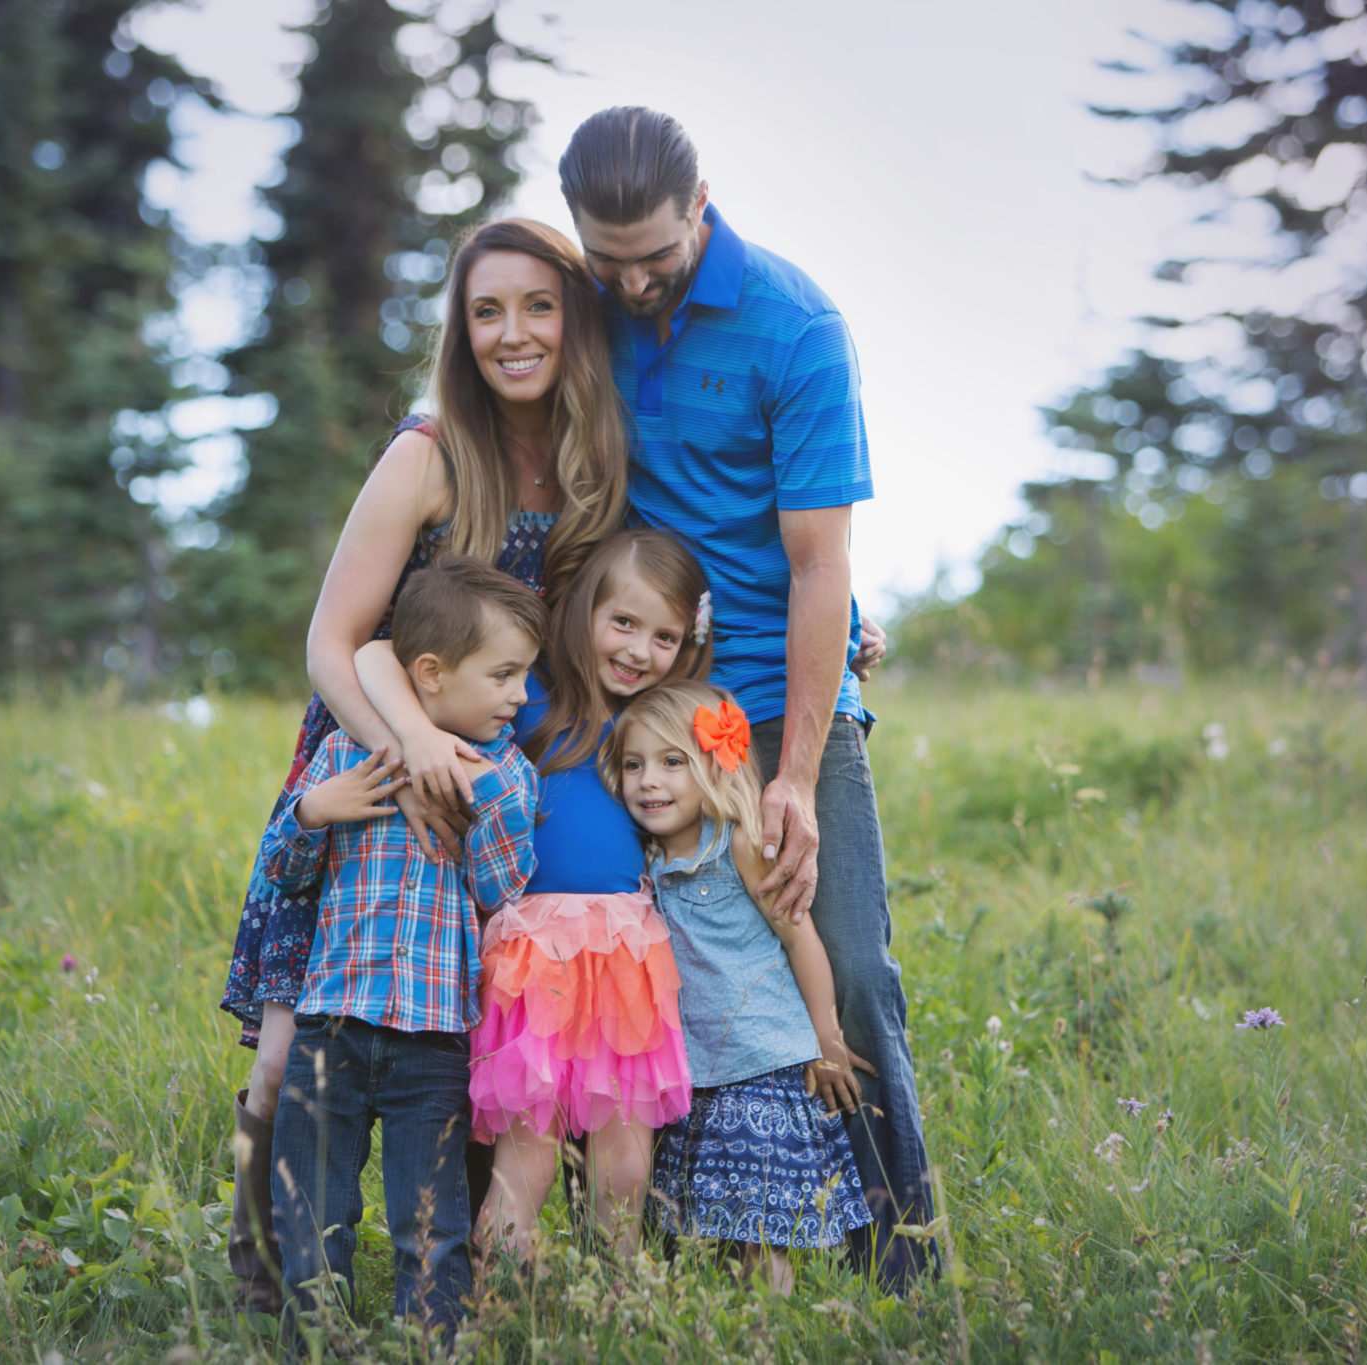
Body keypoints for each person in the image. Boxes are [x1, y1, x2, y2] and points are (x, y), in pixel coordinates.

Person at [557, 105, 936, 1291]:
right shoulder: (586, 308)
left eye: (652, 258)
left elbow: (820, 566)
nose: (630, 284)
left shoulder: (793, 327)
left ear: (702, 206)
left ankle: (900, 1264)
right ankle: (655, 1251)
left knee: (847, 962)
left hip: (775, 697)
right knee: (631, 953)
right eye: (605, 259)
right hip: (648, 699)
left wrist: (793, 780)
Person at [220, 218, 631, 1312]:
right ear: (460, 330)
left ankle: (462, 1277)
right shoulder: (428, 452)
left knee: (462, 1034)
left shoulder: (596, 461)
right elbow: (335, 640)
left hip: (500, 768)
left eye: (538, 306)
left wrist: (849, 626)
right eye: (486, 311)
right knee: (288, 1052)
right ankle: (263, 1272)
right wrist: (408, 748)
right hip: (372, 756)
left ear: (576, 322)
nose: (512, 333)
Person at [354, 528, 711, 1262]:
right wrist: (416, 735)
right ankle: (502, 1301)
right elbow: (369, 656)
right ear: (584, 611)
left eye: (665, 637)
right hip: (533, 951)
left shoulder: (661, 717)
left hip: (628, 954)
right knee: (528, 1161)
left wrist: (851, 639)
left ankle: (616, 1299)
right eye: (624, 623)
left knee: (626, 1165)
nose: (640, 650)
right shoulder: (530, 692)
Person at [258, 556, 544, 1333]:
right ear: (431, 673)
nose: (522, 694)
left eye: (525, 675)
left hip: (432, 1039)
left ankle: (432, 1342)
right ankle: (315, 1342)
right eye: (505, 674)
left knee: (431, 1221)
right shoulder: (346, 755)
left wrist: (484, 799)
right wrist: (312, 811)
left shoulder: (506, 771)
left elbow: (502, 889)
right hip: (332, 1026)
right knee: (314, 1211)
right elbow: (283, 874)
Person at [603, 679, 874, 1294]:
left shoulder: (741, 843)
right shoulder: (642, 860)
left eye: (673, 762)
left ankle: (768, 1329)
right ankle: (724, 1329)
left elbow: (800, 940)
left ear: (713, 766)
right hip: (696, 1072)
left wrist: (826, 1037)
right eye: (634, 765)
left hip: (764, 1063)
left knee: (761, 1230)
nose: (649, 781)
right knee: (712, 1225)